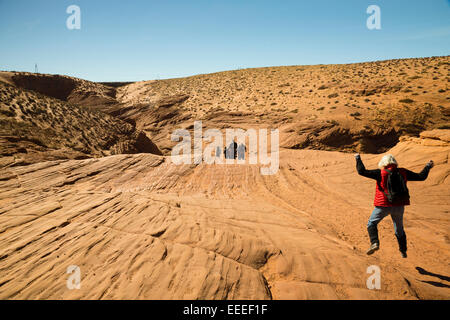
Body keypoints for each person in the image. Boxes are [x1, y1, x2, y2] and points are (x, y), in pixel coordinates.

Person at [354, 153, 434, 258]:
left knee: (371, 224)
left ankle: (375, 243)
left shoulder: (380, 173)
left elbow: (361, 171)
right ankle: (403, 251)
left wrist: (358, 158)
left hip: (383, 205)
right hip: (399, 205)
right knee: (399, 229)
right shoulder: (403, 172)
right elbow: (421, 177)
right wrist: (428, 166)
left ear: (383, 163)